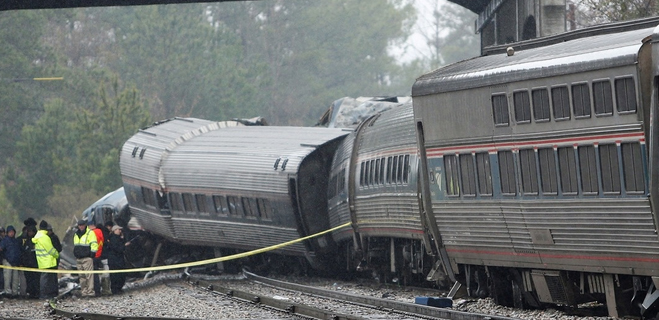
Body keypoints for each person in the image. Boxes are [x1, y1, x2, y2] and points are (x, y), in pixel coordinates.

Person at [32, 220, 59, 299]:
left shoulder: (37, 236)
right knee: (47, 280)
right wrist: (57, 255)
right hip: (48, 261)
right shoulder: (44, 237)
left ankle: (45, 294)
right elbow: (50, 250)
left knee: (44, 279)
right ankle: (45, 295)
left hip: (42, 261)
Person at [73, 219, 97, 298]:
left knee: (89, 276)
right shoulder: (76, 234)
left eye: (82, 225)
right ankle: (84, 292)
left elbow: (94, 244)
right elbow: (76, 246)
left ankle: (90, 292)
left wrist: (91, 255)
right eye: (80, 225)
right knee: (82, 277)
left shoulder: (90, 233)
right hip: (79, 258)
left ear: (85, 225)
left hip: (87, 258)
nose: (81, 227)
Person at [106, 225, 130, 294]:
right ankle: (116, 289)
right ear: (114, 230)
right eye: (118, 230)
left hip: (116, 259)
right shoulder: (114, 239)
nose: (120, 231)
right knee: (117, 275)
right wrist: (124, 246)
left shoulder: (115, 238)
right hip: (115, 260)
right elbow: (117, 248)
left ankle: (118, 288)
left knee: (119, 275)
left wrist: (122, 239)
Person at [0, 226, 20, 298]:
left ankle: (15, 293)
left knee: (15, 278)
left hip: (15, 262)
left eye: (12, 232)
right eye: (10, 232)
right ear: (7, 233)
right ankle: (7, 292)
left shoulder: (16, 241)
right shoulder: (4, 240)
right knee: (7, 277)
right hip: (7, 261)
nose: (11, 233)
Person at [19, 225, 39, 299]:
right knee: (29, 280)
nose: (30, 233)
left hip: (35, 264)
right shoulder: (27, 241)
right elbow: (24, 252)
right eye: (29, 232)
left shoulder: (36, 240)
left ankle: (36, 292)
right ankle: (31, 293)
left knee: (36, 279)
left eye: (31, 231)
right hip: (28, 264)